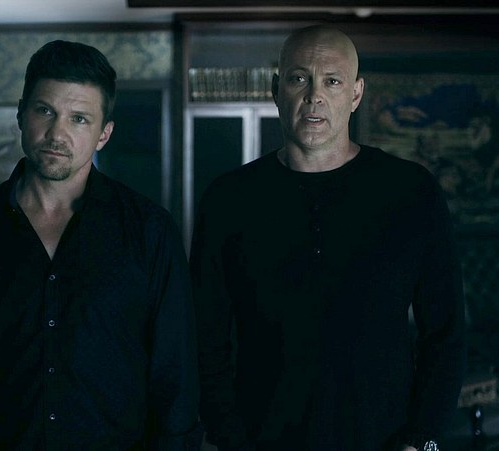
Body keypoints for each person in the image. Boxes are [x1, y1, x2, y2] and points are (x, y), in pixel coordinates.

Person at [190, 25, 466, 451]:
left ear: (355, 94)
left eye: (332, 81)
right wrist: (228, 438)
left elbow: (445, 333)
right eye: (299, 79)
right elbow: (204, 339)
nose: (313, 96)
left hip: (384, 441)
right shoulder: (228, 199)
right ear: (276, 89)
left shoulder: (411, 192)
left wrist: (421, 440)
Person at [0, 40, 199, 450]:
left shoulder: (150, 231)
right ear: (22, 114)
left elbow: (175, 376)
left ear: (104, 134)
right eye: (45, 111)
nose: (57, 133)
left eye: (79, 119)